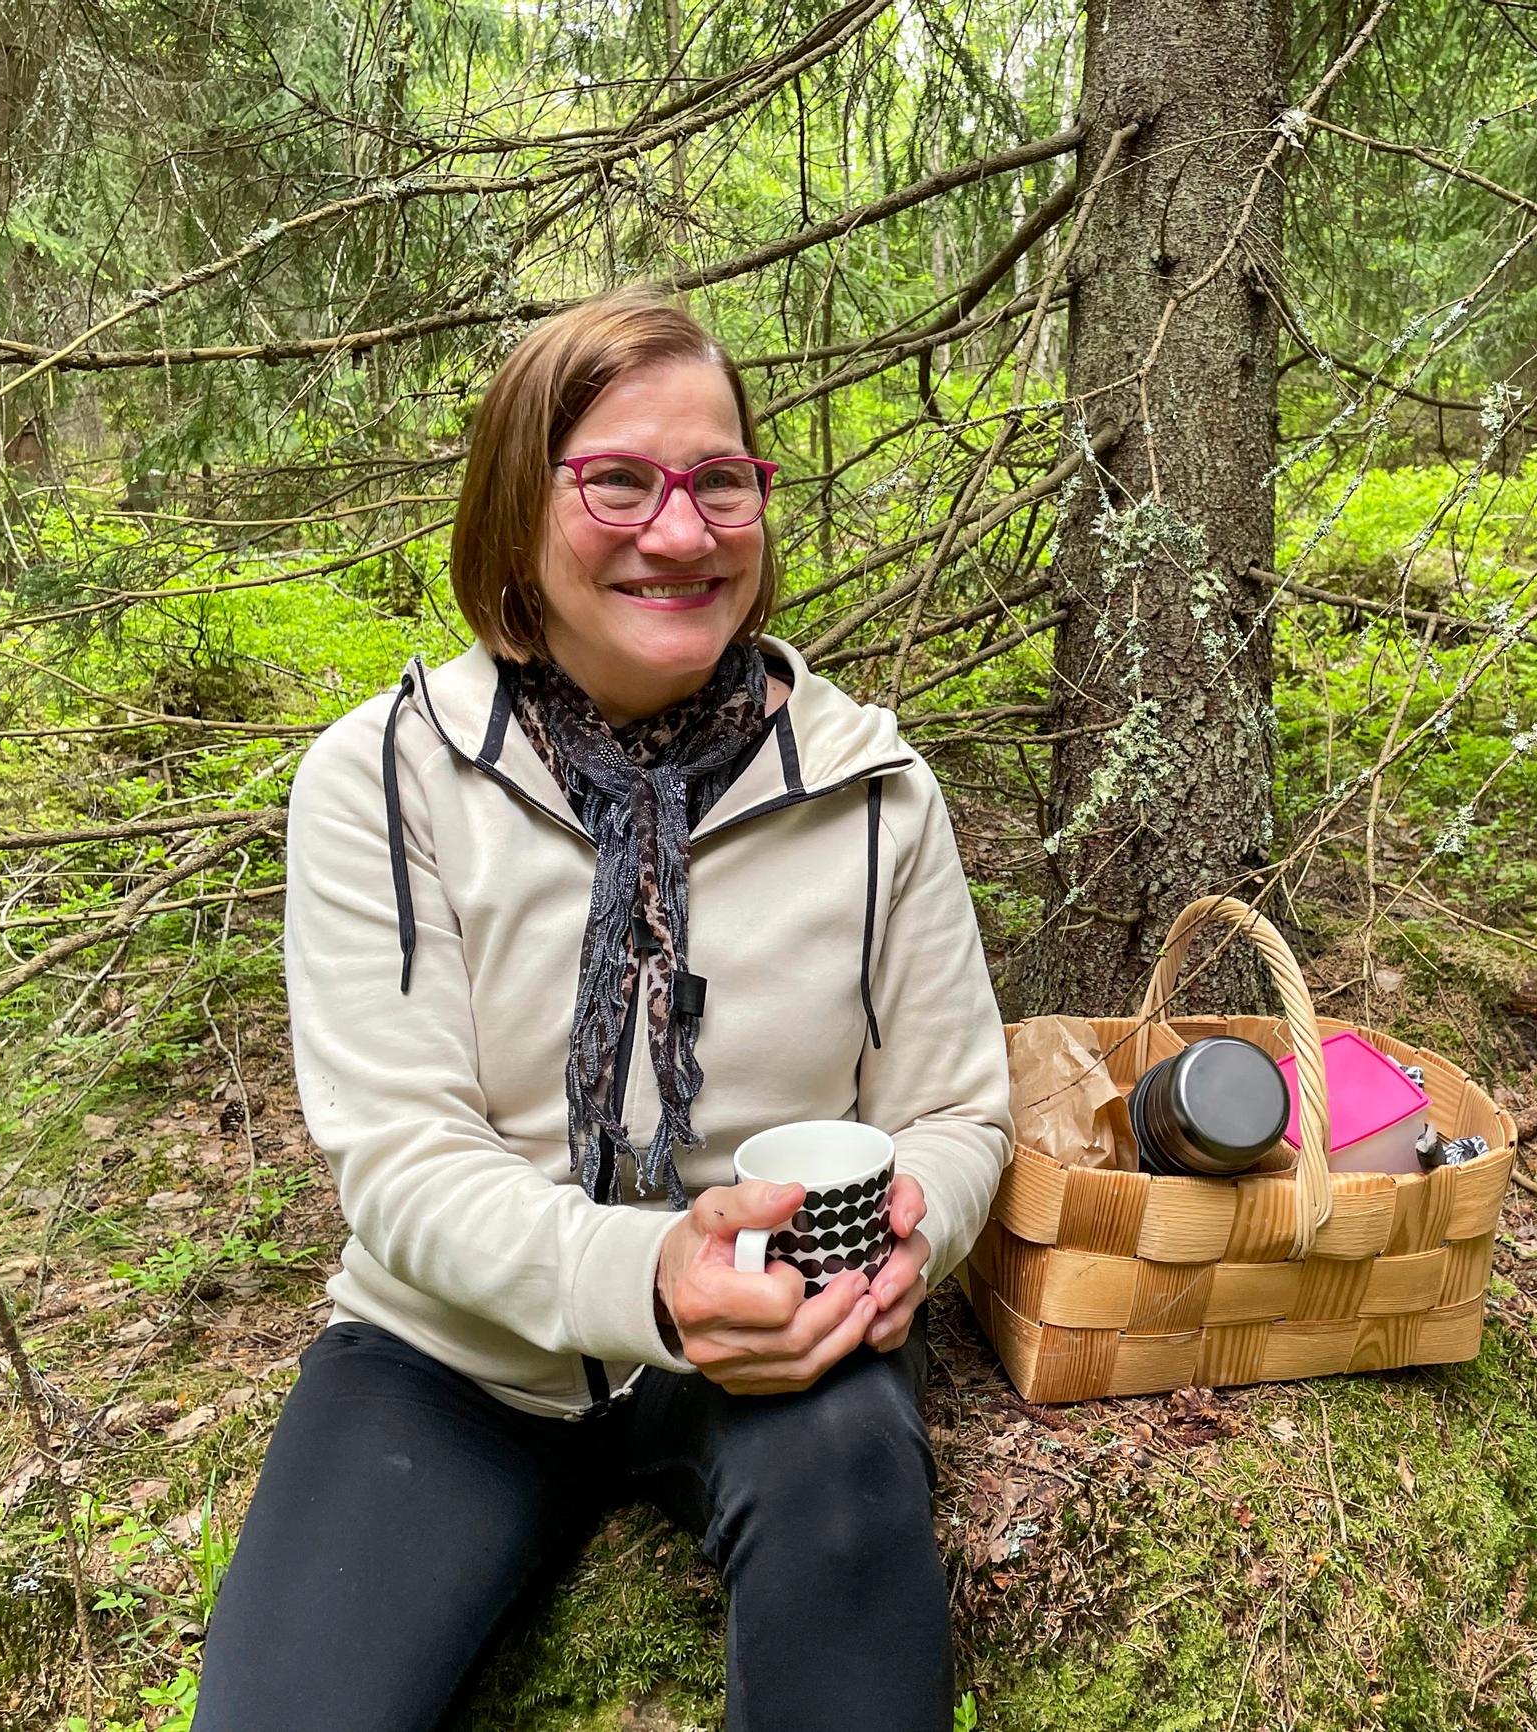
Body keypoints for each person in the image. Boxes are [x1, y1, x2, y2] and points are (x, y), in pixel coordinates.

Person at [192, 286, 1014, 1732]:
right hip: (454, 1354)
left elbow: (951, 1110)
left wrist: (915, 1237)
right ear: (517, 511)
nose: (680, 532)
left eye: (720, 482)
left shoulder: (873, 789)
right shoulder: (385, 779)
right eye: (617, 483)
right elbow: (400, 1156)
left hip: (785, 1341)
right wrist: (644, 1280)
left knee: (850, 1534)